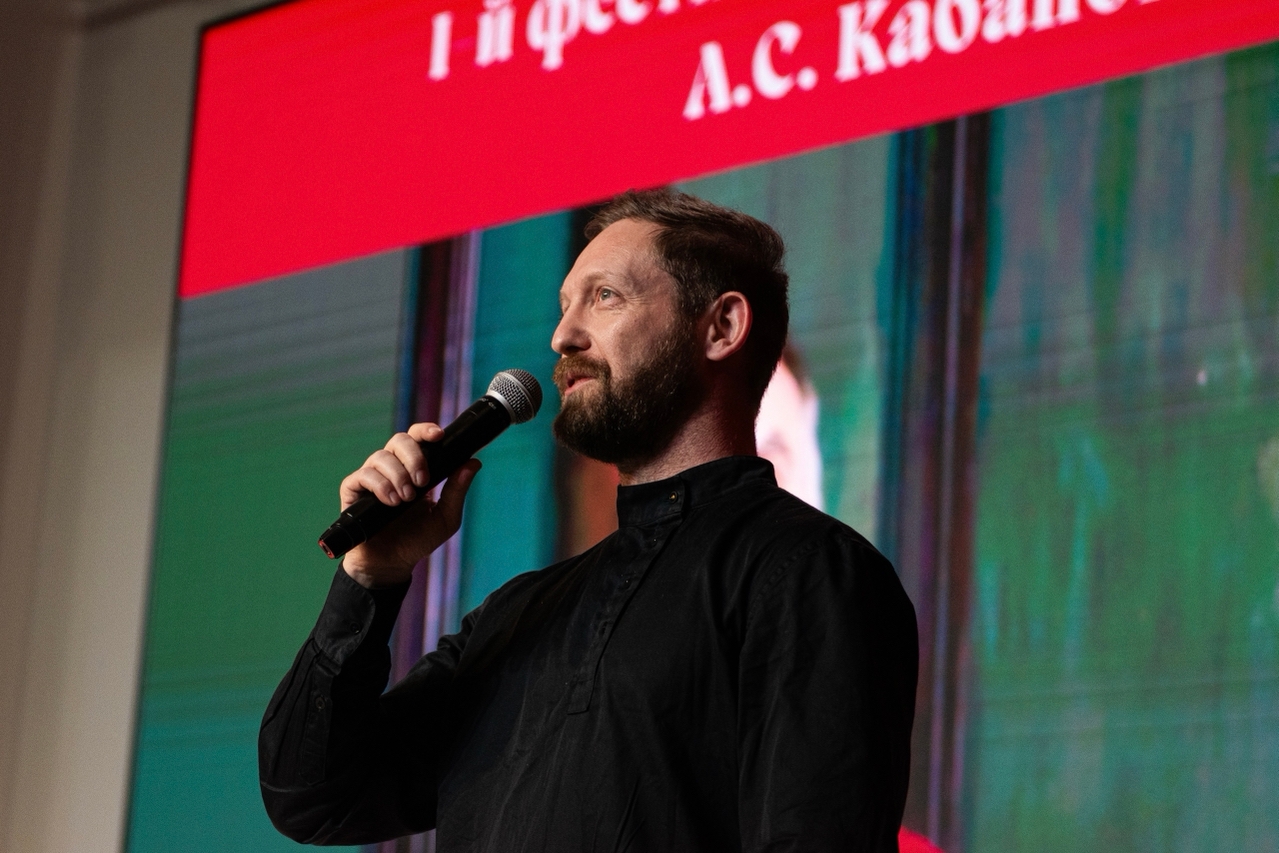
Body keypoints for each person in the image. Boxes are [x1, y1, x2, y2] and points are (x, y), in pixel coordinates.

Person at [259, 189, 919, 852]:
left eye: (605, 296)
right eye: (564, 305)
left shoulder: (807, 570)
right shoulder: (514, 615)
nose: (562, 337)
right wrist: (370, 579)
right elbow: (314, 798)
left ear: (721, 327)